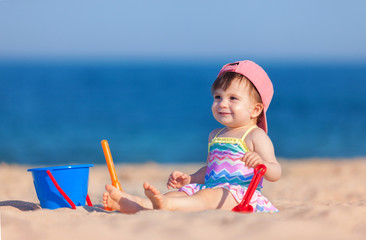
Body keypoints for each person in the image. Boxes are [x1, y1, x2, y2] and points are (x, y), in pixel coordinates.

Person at [103, 60, 281, 213]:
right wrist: (191, 178)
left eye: (233, 98)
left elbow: (275, 172)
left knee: (207, 196)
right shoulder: (216, 135)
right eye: (218, 97)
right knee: (179, 193)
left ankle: (160, 204)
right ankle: (138, 205)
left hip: (239, 195)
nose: (222, 103)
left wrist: (262, 164)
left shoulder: (255, 135)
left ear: (255, 109)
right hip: (212, 188)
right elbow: (211, 171)